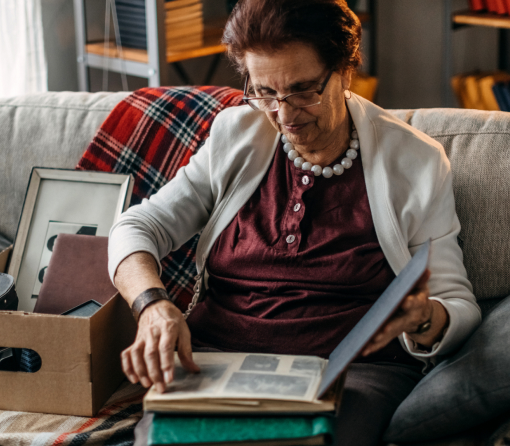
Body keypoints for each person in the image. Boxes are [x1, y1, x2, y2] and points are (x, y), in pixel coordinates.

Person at [108, 0, 481, 443]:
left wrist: (422, 317)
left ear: (345, 71)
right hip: (218, 360)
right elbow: (136, 228)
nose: (283, 116)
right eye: (264, 92)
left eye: (303, 90)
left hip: (350, 374)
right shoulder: (236, 134)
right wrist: (152, 306)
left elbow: (457, 304)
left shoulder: (415, 162)